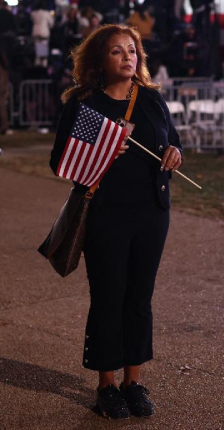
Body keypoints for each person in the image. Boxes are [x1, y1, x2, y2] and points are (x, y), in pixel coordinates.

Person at [49, 24, 183, 420]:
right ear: (99, 60)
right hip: (107, 214)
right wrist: (105, 151)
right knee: (109, 298)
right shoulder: (88, 105)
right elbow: (64, 161)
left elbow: (173, 141)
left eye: (132, 50)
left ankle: (133, 381)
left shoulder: (151, 100)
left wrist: (176, 152)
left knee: (140, 298)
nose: (127, 57)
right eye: (116, 51)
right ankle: (106, 385)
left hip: (152, 213)